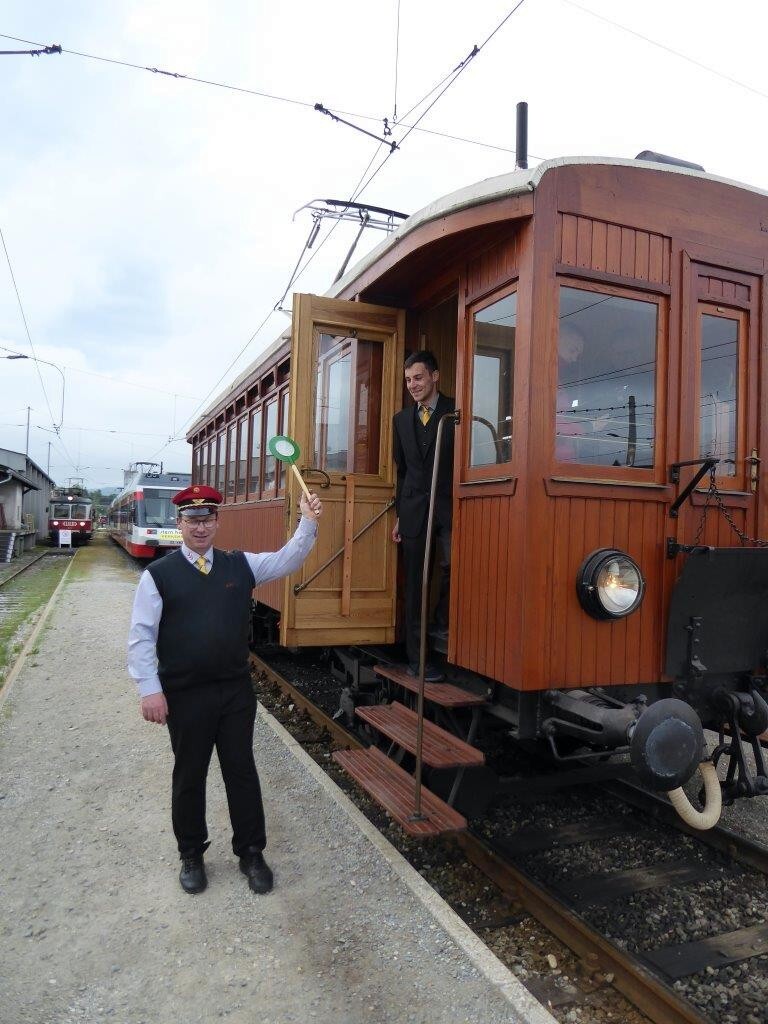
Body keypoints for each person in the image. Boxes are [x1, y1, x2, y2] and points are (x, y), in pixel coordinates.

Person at [127, 483, 322, 896]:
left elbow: (287, 560)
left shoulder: (240, 566)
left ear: (217, 521)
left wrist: (308, 520)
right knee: (189, 775)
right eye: (193, 520)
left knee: (241, 771)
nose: (201, 527)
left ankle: (251, 853)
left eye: (208, 518)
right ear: (179, 523)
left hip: (234, 692)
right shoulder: (158, 577)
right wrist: (150, 689)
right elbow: (141, 636)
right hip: (184, 694)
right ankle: (191, 854)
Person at [391, 350, 454, 682]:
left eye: (417, 377)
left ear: (435, 376)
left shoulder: (456, 411)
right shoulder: (400, 420)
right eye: (408, 380)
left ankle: (444, 630)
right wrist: (400, 515)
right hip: (414, 512)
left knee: (454, 569)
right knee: (416, 586)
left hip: (449, 510)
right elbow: (402, 473)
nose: (412, 385)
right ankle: (416, 660)